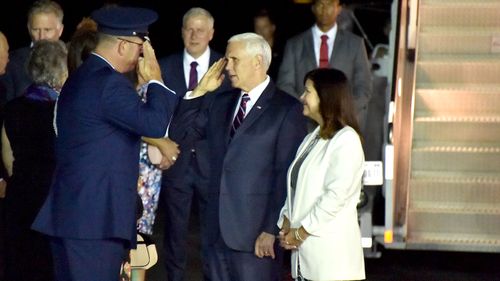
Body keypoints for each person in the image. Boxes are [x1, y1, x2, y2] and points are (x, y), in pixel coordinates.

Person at [31, 6, 178, 281]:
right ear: (123, 45)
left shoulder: (82, 77)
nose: (141, 56)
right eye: (140, 47)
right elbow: (154, 124)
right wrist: (156, 79)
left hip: (74, 218)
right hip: (94, 225)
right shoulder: (109, 84)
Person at [183, 32, 307, 281]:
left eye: (233, 59)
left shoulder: (286, 109)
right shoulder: (220, 102)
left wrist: (271, 228)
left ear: (257, 62)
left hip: (255, 239)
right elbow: (183, 133)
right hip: (215, 234)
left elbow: (286, 174)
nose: (226, 66)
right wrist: (199, 92)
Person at [158, 7, 231, 281]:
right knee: (175, 232)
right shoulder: (164, 67)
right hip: (175, 159)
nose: (194, 34)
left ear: (212, 33)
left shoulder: (227, 68)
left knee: (213, 231)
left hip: (211, 160)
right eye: (189, 28)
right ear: (181, 31)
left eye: (201, 29)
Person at [277, 68, 365, 281]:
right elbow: (295, 189)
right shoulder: (312, 138)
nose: (301, 97)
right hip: (306, 261)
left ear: (325, 97)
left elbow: (335, 197)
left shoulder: (346, 140)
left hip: (332, 264)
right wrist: (286, 222)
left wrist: (300, 233)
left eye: (307, 91)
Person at [2, 39, 68, 281]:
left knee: (21, 267)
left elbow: (8, 158)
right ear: (62, 71)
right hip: (53, 202)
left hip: (19, 200)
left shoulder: (12, 108)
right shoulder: (64, 111)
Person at [277, 0, 372, 133]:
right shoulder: (295, 44)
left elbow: (363, 89)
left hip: (342, 126)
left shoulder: (355, 44)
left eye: (330, 4)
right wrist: (309, 109)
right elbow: (284, 85)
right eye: (320, 4)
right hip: (302, 125)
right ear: (313, 8)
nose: (324, 9)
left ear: (339, 8)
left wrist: (341, 113)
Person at [0, 0, 64, 101]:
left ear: (60, 30)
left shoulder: (71, 60)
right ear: (29, 29)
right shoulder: (12, 63)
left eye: (47, 30)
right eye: (36, 29)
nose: (41, 37)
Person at [253, 8, 283, 80]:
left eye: (264, 27)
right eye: (258, 27)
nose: (261, 31)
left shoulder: (283, 51)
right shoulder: (252, 52)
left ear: (273, 27)